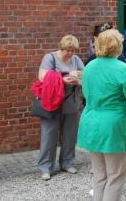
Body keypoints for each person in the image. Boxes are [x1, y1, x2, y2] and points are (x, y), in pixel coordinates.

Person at [77, 29, 126, 201]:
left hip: (91, 122)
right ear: (118, 46)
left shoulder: (89, 66)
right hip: (113, 126)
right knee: (115, 177)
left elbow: (86, 93)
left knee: (100, 176)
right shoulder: (123, 69)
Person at [37, 35, 84, 180]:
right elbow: (42, 77)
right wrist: (62, 79)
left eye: (73, 50)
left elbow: (86, 74)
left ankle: (67, 162)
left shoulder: (75, 60)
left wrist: (78, 79)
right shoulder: (50, 58)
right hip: (52, 101)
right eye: (67, 50)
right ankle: (45, 167)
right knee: (49, 134)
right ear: (61, 47)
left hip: (72, 101)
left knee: (70, 134)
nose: (70, 53)